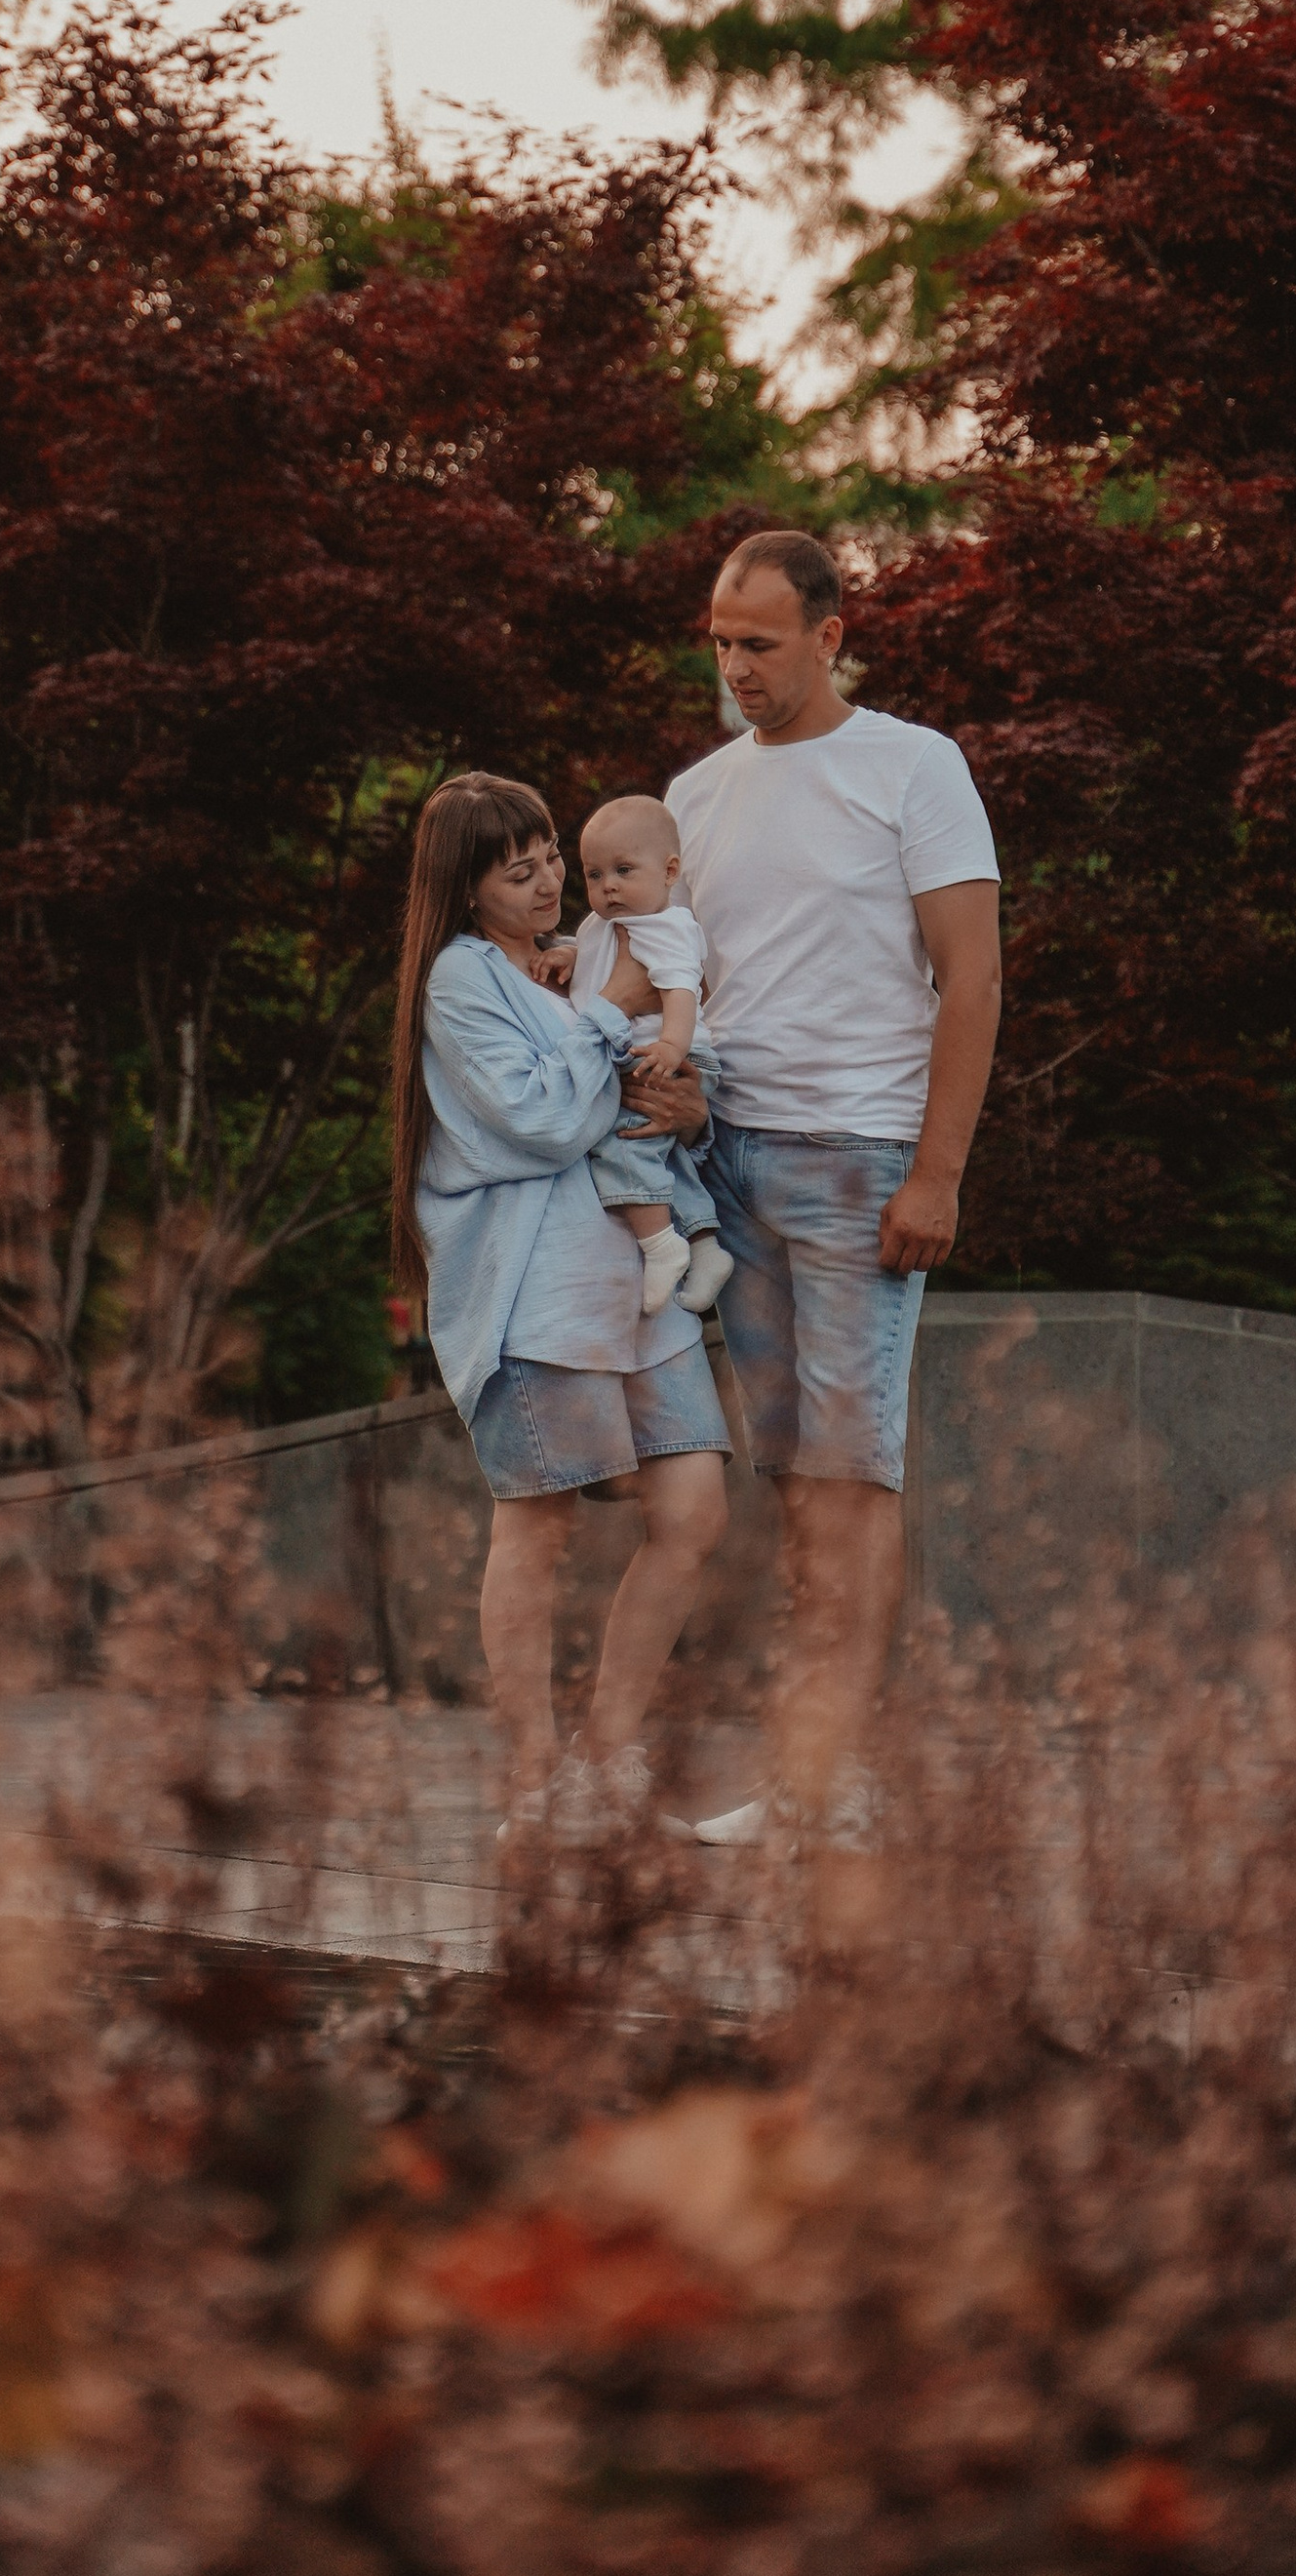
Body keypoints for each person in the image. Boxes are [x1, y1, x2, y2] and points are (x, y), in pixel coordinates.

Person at [630, 529, 1001, 1859]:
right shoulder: (696, 795)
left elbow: (973, 976)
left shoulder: (914, 767)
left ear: (832, 633)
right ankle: (804, 1781)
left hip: (859, 1170)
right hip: (727, 1168)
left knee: (853, 1474)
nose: (736, 666)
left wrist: (937, 1172)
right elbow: (677, 997)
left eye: (761, 642)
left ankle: (840, 1782)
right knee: (794, 1480)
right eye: (721, 641)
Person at [390, 771, 729, 1841]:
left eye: (548, 856)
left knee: (693, 1512)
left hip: (641, 1285)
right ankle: (536, 1787)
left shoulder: (583, 952)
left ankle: (605, 1761)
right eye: (519, 866)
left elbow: (663, 1102)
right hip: (537, 1289)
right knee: (533, 1531)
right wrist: (611, 1013)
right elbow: (539, 1120)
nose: (546, 880)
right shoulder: (460, 982)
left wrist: (679, 1098)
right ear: (465, 885)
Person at [533, 793, 732, 1318]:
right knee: (658, 1153)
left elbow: (682, 993)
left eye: (623, 870)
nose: (608, 887)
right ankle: (706, 1245)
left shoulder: (667, 927)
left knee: (621, 1145)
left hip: (669, 1052)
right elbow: (596, 963)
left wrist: (672, 1045)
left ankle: (660, 1246)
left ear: (669, 871)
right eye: (594, 875)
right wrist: (566, 953)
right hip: (642, 1050)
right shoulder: (602, 926)